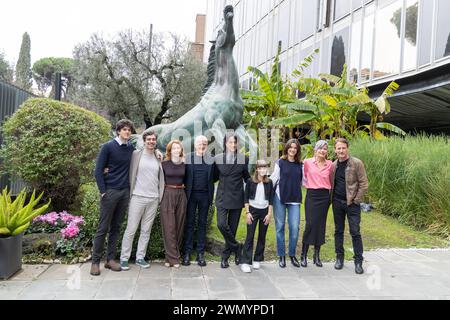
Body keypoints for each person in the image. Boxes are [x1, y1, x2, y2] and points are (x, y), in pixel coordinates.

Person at [91, 119, 135, 276]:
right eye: (124, 129)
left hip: (124, 193)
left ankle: (110, 260)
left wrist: (157, 152)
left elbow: (142, 155)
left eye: (129, 130)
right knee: (103, 228)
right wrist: (103, 191)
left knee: (116, 228)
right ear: (118, 131)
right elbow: (98, 170)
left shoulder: (131, 149)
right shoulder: (108, 147)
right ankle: (95, 262)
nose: (127, 132)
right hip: (110, 192)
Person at [119, 130, 165, 271]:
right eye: (149, 139)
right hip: (137, 197)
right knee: (131, 229)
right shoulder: (136, 155)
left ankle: (140, 257)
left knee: (146, 230)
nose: (151, 141)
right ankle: (124, 258)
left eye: (153, 139)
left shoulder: (159, 157)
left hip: (153, 198)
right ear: (144, 141)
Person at [331, 138, 368, 275]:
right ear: (335, 150)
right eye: (338, 148)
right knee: (338, 231)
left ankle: (358, 261)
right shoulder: (334, 165)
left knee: (355, 232)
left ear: (347, 148)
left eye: (343, 148)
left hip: (352, 204)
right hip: (337, 203)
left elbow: (364, 184)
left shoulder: (356, 163)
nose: (341, 150)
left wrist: (356, 200)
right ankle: (339, 258)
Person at [214, 132, 251, 269]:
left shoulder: (243, 159)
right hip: (222, 197)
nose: (233, 145)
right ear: (225, 143)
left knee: (233, 229)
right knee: (221, 225)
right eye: (230, 142)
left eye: (235, 142)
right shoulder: (217, 159)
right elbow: (213, 177)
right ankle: (237, 247)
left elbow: (247, 177)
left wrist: (260, 184)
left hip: (236, 198)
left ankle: (225, 257)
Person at [182, 136, 215, 267]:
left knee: (202, 224)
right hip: (190, 195)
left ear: (207, 145)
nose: (202, 146)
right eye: (200, 143)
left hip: (205, 196)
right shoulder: (187, 158)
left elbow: (215, 176)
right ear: (195, 145)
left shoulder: (211, 159)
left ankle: (201, 253)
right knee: (189, 224)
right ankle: (187, 253)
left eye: (204, 144)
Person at [270, 139, 303, 268]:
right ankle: (282, 255)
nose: (293, 149)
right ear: (287, 148)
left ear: (297, 150)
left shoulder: (301, 164)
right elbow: (273, 178)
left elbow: (305, 181)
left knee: (294, 228)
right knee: (280, 227)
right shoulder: (280, 162)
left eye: (295, 148)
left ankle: (292, 255)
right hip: (280, 197)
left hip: (295, 199)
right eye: (291, 147)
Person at [301, 140, 333, 268]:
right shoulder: (307, 162)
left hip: (324, 196)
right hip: (312, 196)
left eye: (325, 149)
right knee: (310, 224)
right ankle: (303, 254)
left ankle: (316, 255)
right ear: (315, 150)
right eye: (320, 148)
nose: (322, 151)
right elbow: (302, 176)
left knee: (320, 225)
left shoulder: (330, 164)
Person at [240, 160, 274, 273]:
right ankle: (245, 262)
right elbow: (245, 198)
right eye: (261, 168)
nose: (263, 170)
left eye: (265, 168)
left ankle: (257, 259)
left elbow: (271, 200)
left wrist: (269, 214)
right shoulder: (250, 181)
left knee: (262, 236)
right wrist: (248, 213)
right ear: (257, 169)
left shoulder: (269, 182)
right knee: (250, 236)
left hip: (264, 211)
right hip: (253, 211)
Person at [160, 140, 187, 268]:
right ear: (170, 150)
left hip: (181, 194)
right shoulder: (163, 164)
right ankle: (174, 258)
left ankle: (169, 257)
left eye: (179, 148)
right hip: (168, 193)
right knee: (169, 226)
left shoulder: (185, 164)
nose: (176, 150)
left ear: (181, 150)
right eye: (174, 148)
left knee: (179, 226)